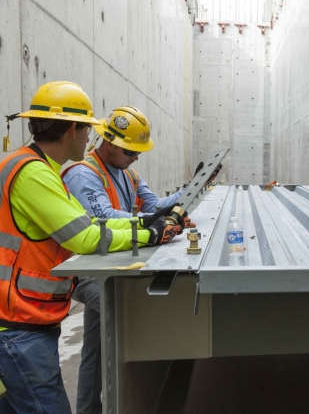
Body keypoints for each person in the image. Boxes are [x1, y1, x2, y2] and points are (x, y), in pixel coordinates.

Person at [0, 82, 181, 414]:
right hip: (18, 326)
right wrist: (149, 234)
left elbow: (90, 224)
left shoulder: (42, 170)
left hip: (24, 321)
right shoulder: (34, 174)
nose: (90, 138)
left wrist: (144, 225)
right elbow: (84, 236)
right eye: (88, 130)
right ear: (72, 130)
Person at [61, 106, 191, 414]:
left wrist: (192, 191)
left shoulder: (128, 172)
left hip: (110, 263)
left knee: (94, 349)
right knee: (129, 316)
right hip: (86, 274)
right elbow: (103, 218)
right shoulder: (84, 174)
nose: (136, 157)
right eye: (131, 150)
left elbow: (156, 205)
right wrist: (156, 224)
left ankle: (89, 410)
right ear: (109, 142)